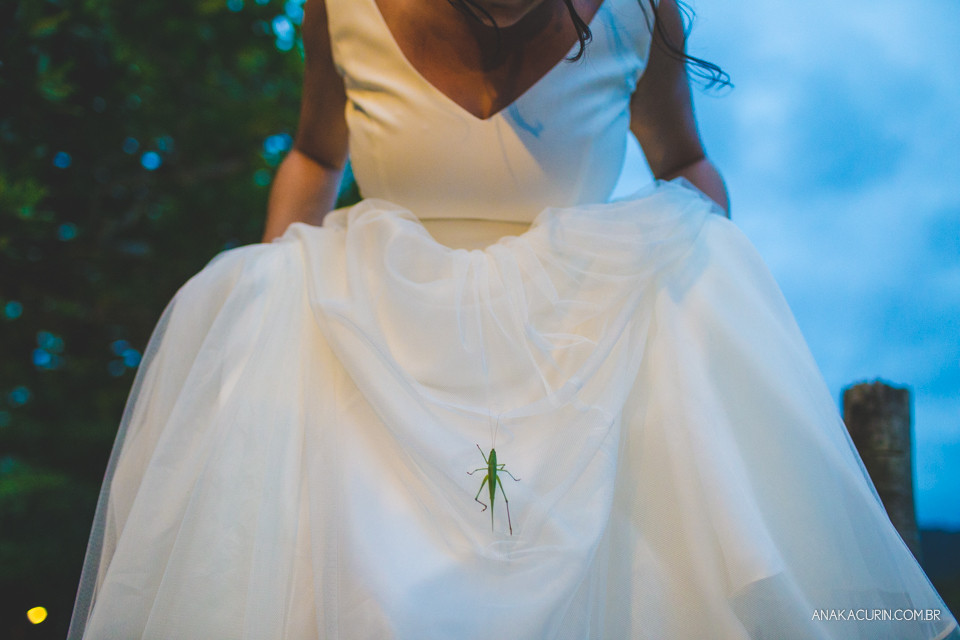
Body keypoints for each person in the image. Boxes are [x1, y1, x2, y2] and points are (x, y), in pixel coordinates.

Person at [69, 0, 957, 638]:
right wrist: (269, 305)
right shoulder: (338, 5)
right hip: (375, 341)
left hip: (582, 344)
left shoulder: (638, 14)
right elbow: (314, 150)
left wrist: (714, 315)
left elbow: (686, 162)